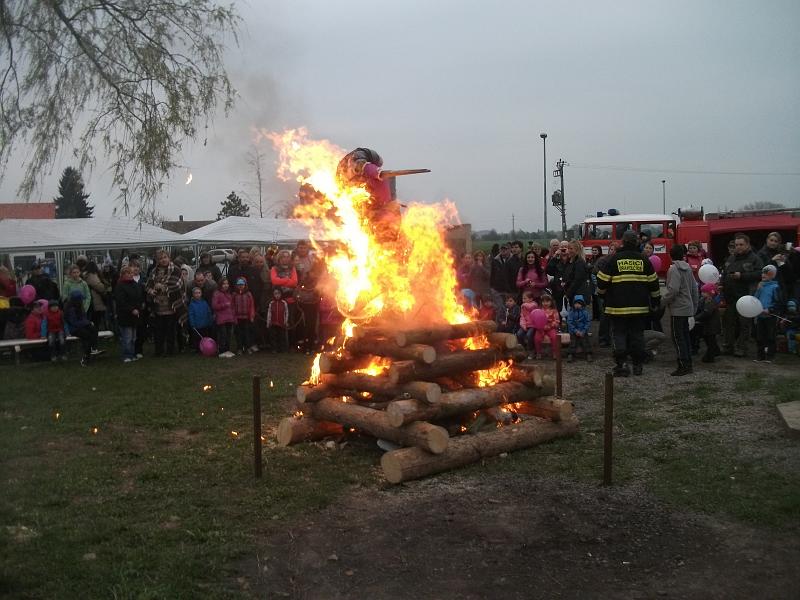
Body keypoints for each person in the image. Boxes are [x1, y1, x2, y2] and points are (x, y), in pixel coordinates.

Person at [596, 230, 660, 377]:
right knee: (637, 335)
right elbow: (654, 284)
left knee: (619, 335)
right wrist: (655, 302)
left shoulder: (614, 259)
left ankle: (622, 365)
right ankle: (638, 366)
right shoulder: (644, 260)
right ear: (637, 242)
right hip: (639, 308)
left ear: (622, 242)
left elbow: (602, 281)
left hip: (617, 308)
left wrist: (601, 294)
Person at [721, 233, 763, 357]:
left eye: (741, 244)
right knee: (729, 323)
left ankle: (741, 348)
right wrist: (722, 284)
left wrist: (742, 276)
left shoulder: (754, 258)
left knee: (744, 324)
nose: (738, 247)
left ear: (747, 245)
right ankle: (728, 346)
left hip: (746, 297)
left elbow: (760, 273)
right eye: (736, 244)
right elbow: (725, 273)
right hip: (730, 297)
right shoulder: (731, 258)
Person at [661, 244, 699, 376]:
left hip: (678, 309)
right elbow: (694, 288)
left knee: (678, 338)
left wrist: (662, 302)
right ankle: (688, 362)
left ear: (670, 255)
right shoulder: (688, 268)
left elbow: (673, 290)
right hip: (687, 307)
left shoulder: (673, 269)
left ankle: (683, 364)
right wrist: (694, 306)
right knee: (685, 337)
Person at [145, 250, 185, 357]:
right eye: (160, 258)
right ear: (157, 260)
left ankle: (170, 351)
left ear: (169, 257)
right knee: (158, 331)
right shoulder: (154, 271)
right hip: (158, 306)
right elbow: (148, 285)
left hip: (171, 306)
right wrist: (151, 290)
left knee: (170, 330)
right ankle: (159, 351)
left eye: (165, 257)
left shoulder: (175, 270)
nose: (163, 260)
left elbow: (178, 285)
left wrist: (163, 287)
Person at [114, 266, 144, 363]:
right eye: (129, 273)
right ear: (123, 275)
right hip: (125, 315)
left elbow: (139, 297)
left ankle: (132, 353)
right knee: (127, 337)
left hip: (135, 315)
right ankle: (126, 355)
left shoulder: (135, 284)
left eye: (132, 273)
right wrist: (131, 309)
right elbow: (121, 301)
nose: (131, 274)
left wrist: (139, 307)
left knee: (134, 337)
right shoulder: (120, 286)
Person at [753, 264, 781, 362]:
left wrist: (770, 310)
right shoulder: (760, 286)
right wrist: (758, 290)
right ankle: (760, 356)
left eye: (767, 273)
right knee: (760, 336)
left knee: (770, 336)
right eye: (763, 273)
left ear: (772, 275)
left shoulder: (775, 287)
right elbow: (755, 300)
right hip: (760, 316)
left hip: (770, 316)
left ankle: (770, 356)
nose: (764, 275)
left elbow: (778, 302)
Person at [270, 249, 298, 347]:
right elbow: (274, 281)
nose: (285, 259)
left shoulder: (292, 268)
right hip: (279, 300)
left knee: (290, 321)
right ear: (279, 258)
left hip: (291, 299)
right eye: (283, 257)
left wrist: (281, 280)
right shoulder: (274, 269)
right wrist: (287, 280)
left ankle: (291, 344)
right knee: (278, 322)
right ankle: (279, 344)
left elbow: (295, 282)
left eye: (287, 257)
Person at [64, 290, 100, 366]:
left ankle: (94, 348)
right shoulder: (71, 309)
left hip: (81, 326)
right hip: (73, 329)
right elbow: (74, 322)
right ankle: (86, 356)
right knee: (87, 336)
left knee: (93, 329)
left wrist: (89, 323)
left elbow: (83, 318)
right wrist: (87, 323)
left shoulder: (79, 307)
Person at [695, 283, 722, 363]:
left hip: (712, 325)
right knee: (709, 339)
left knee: (710, 340)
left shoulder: (710, 302)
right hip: (708, 325)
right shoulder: (704, 300)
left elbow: (706, 313)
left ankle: (710, 356)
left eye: (704, 292)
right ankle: (715, 351)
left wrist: (696, 317)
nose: (702, 293)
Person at [211, 278, 236, 358]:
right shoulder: (217, 293)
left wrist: (234, 316)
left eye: (227, 284)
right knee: (223, 335)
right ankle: (221, 351)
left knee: (229, 335)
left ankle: (227, 350)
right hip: (221, 318)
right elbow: (214, 306)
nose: (226, 285)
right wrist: (224, 305)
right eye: (224, 284)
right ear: (220, 285)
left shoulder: (229, 294)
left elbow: (232, 307)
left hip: (230, 318)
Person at [232, 277, 257, 354]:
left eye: (242, 284)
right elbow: (232, 306)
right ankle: (239, 348)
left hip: (247, 318)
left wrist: (252, 316)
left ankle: (247, 347)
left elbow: (252, 305)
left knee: (247, 334)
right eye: (239, 284)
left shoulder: (249, 294)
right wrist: (234, 317)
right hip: (238, 318)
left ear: (245, 285)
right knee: (238, 334)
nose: (240, 286)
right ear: (236, 285)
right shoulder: (234, 294)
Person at [563, 241, 590, 307]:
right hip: (574, 294)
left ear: (577, 250)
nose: (569, 250)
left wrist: (568, 293)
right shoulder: (571, 261)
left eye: (571, 249)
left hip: (578, 295)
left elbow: (577, 280)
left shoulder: (579, 263)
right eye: (568, 248)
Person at [533, 293, 560, 360]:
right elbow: (535, 320)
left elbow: (557, 320)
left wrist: (551, 325)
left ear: (551, 302)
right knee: (537, 338)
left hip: (551, 328)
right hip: (541, 329)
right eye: (543, 301)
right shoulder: (539, 311)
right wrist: (540, 326)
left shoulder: (554, 310)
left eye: (547, 301)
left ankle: (555, 353)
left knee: (554, 337)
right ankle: (538, 353)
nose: (545, 303)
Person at [83, 261, 109, 330]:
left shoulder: (86, 275)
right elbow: (99, 286)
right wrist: (104, 287)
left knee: (94, 318)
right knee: (97, 319)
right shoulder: (91, 275)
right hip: (96, 299)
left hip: (92, 299)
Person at [566, 294, 592, 362]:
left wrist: (583, 331)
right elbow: (569, 322)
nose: (577, 305)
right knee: (573, 342)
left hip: (583, 330)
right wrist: (575, 331)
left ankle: (588, 354)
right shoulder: (571, 312)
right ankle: (570, 354)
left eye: (579, 303)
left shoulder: (585, 313)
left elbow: (588, 322)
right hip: (573, 331)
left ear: (582, 304)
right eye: (576, 303)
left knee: (585, 341)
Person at [187, 287, 214, 352]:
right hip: (197, 325)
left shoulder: (204, 302)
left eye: (199, 293)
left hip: (205, 324)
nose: (197, 294)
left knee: (205, 337)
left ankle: (207, 347)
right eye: (196, 293)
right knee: (197, 338)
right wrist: (192, 323)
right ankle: (198, 348)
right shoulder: (192, 304)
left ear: (201, 294)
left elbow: (208, 312)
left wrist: (210, 320)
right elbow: (191, 315)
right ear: (193, 294)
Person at [267, 288, 290, 352]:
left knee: (282, 336)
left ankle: (282, 349)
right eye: (275, 294)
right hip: (273, 323)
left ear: (281, 294)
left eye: (278, 293)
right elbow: (269, 313)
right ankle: (274, 349)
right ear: (273, 295)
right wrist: (268, 322)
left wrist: (286, 321)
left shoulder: (284, 303)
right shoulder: (271, 303)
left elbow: (286, 312)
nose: (277, 295)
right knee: (273, 337)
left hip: (281, 323)